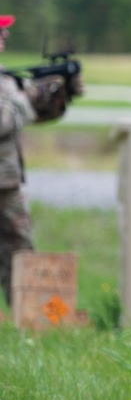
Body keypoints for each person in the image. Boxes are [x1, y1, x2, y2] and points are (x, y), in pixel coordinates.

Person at [0, 15, 79, 309]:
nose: (5, 35)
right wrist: (21, 103)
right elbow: (8, 117)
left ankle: (26, 319)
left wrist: (61, 94)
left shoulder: (4, 76)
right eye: (0, 30)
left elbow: (34, 111)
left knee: (19, 251)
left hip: (7, 181)